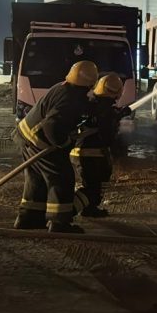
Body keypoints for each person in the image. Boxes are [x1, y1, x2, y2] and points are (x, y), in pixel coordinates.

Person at [13, 60, 98, 233]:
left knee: (37, 179)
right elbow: (51, 126)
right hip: (39, 142)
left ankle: (29, 218)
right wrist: (64, 142)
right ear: (91, 83)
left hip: (25, 136)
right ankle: (59, 222)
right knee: (62, 177)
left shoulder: (63, 87)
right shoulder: (71, 99)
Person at [72, 73, 123, 217]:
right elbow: (107, 137)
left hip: (80, 151)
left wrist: (116, 115)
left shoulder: (91, 104)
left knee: (92, 185)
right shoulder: (106, 110)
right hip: (93, 155)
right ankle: (68, 211)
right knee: (94, 188)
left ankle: (89, 208)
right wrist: (115, 121)